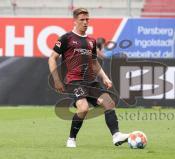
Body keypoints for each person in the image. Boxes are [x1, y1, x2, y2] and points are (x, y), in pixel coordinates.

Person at [48, 7, 129, 148]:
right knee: (83, 108)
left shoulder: (91, 40)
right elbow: (52, 58)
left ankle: (116, 136)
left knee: (109, 103)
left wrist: (105, 78)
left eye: (87, 19)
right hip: (73, 81)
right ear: (75, 21)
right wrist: (56, 80)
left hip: (91, 81)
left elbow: (94, 62)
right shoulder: (66, 38)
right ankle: (71, 139)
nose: (85, 22)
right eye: (82, 20)